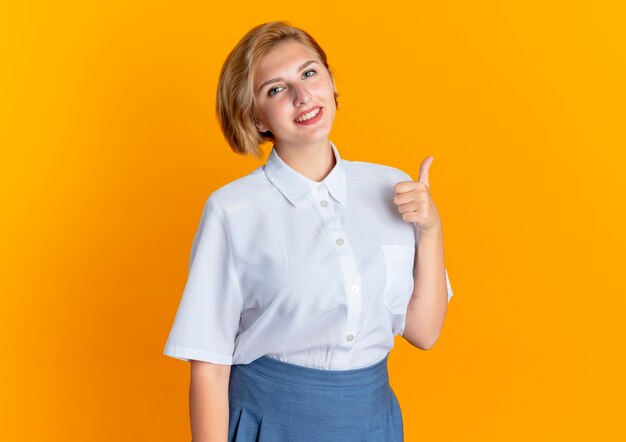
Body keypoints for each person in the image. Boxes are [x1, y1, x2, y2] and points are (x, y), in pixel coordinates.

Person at [163, 21, 454, 441]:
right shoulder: (231, 210)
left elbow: (423, 333)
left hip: (373, 424)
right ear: (255, 117)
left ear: (331, 80)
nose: (302, 96)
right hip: (272, 422)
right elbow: (208, 365)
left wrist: (431, 229)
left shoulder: (393, 188)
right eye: (275, 89)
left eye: (309, 72)